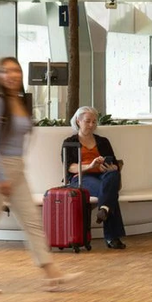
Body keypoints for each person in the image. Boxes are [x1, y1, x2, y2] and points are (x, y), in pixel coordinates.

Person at [0, 56, 70, 294]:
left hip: (16, 168)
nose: (12, 75)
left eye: (16, 71)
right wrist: (1, 177)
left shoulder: (19, 101)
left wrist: (15, 169)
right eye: (6, 71)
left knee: (32, 221)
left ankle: (50, 272)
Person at [62, 106, 126, 249]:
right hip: (81, 178)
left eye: (94, 122)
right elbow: (69, 167)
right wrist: (90, 166)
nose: (91, 125)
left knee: (113, 175)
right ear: (78, 121)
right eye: (87, 121)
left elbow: (114, 163)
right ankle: (112, 236)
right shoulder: (70, 142)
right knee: (110, 193)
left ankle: (104, 208)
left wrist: (112, 167)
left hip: (104, 176)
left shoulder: (103, 141)